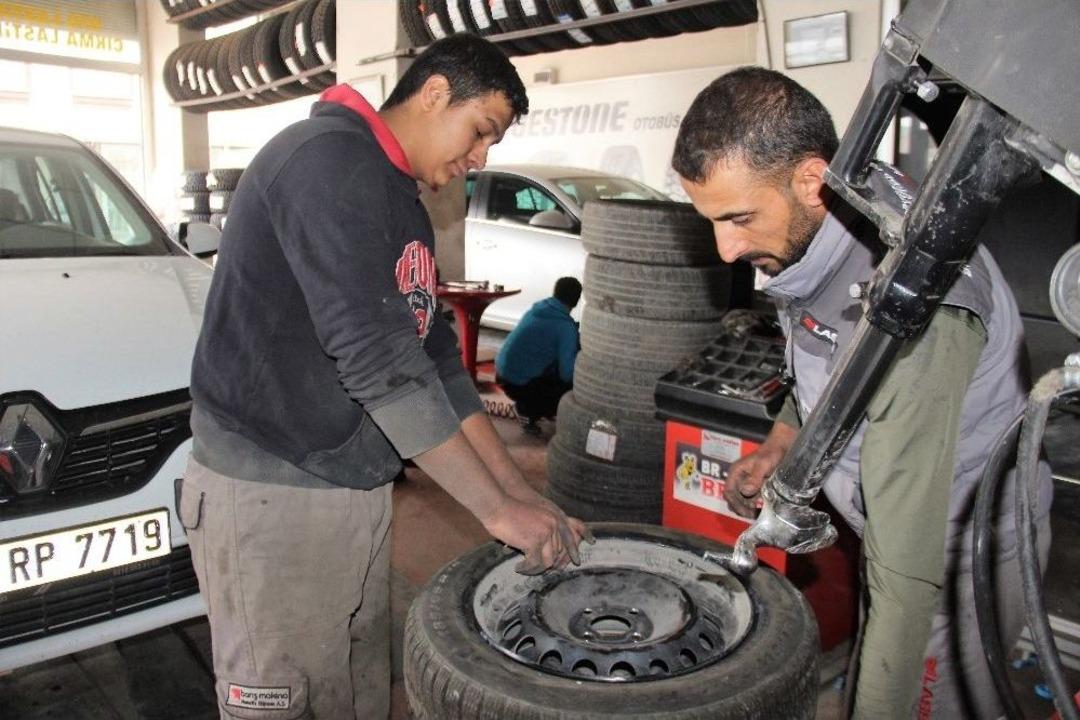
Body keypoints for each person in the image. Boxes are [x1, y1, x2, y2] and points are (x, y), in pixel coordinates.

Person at [179, 35, 589, 720]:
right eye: (480, 130)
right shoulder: (324, 164)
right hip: (275, 496)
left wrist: (519, 493)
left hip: (352, 485)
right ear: (434, 93)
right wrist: (493, 512)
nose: (481, 158)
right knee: (290, 704)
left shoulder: (397, 201)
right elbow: (376, 361)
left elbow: (436, 366)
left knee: (356, 694)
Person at [671, 67, 1052, 719]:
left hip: (955, 562)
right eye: (712, 220)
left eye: (739, 218)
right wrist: (782, 443)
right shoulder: (826, 222)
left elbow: (906, 582)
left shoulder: (917, 316)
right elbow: (828, 361)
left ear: (811, 180)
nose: (726, 248)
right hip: (894, 532)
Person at [495, 276, 582, 435]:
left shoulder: (538, 308)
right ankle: (529, 411)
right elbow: (567, 374)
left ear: (555, 292)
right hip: (519, 384)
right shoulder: (565, 327)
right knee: (575, 385)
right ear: (576, 301)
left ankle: (529, 405)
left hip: (501, 373)